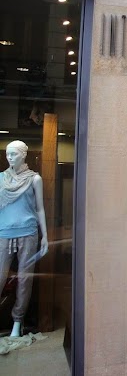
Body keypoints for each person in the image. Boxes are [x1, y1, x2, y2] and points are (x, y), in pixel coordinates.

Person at [0, 140, 48, 337]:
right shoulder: (1, 178)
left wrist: (45, 236)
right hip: (4, 232)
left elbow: (40, 208)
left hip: (28, 232)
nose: (10, 157)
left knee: (24, 279)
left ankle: (17, 322)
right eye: (8, 154)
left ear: (24, 155)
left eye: (14, 154)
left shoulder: (34, 179)